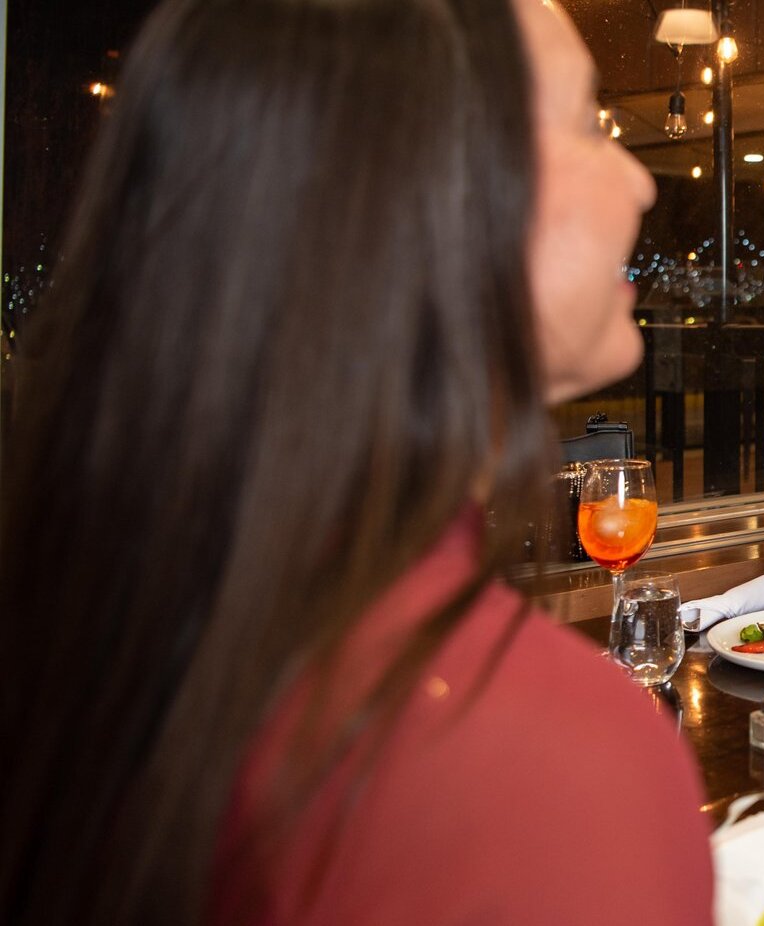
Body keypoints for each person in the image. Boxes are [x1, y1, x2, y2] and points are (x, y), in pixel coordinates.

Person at [0, 1, 711, 923]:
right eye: (589, 124)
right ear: (420, 197)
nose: (644, 186)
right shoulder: (551, 759)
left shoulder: (104, 631)